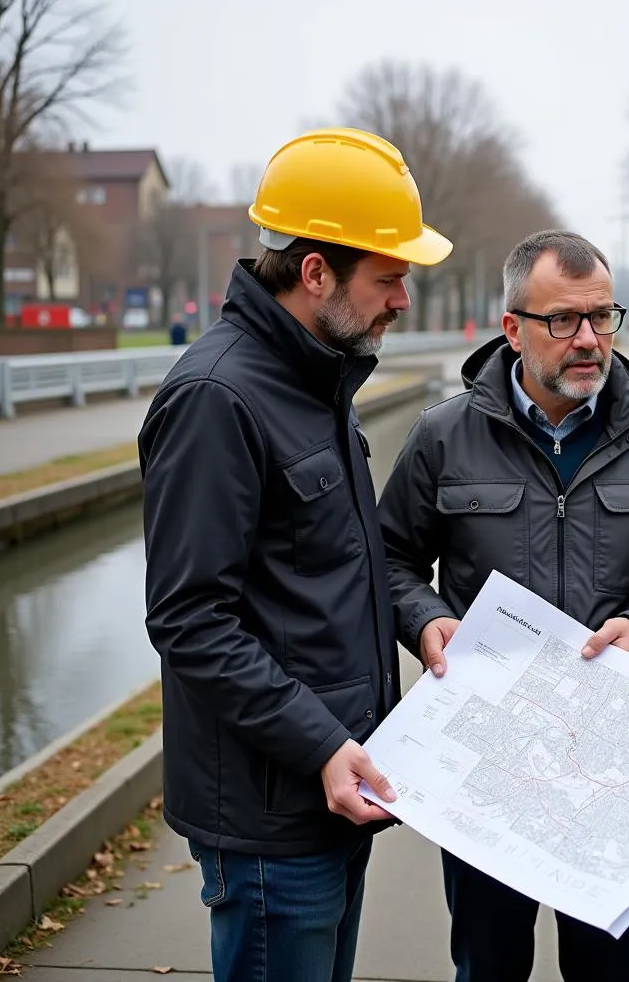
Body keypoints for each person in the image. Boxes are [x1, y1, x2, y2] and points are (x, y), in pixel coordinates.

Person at [138, 128, 453, 982]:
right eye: (388, 278)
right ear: (316, 272)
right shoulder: (217, 399)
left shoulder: (319, 379)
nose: (402, 301)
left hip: (331, 795)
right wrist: (320, 744)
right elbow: (190, 620)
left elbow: (333, 574)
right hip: (273, 815)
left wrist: (418, 624)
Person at [378, 229, 629, 982]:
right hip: (489, 766)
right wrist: (425, 620)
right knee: (488, 964)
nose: (588, 340)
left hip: (614, 766)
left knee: (608, 971)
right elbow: (388, 560)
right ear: (513, 329)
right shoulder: (443, 436)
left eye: (602, 317)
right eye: (562, 320)